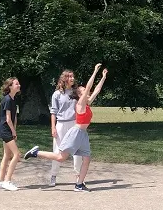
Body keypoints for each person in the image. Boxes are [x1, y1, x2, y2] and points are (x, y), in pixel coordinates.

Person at [24, 64, 107, 192]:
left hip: (83, 134)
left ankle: (79, 184)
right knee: (61, 157)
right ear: (80, 95)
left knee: (86, 159)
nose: (87, 91)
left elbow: (96, 90)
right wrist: (95, 71)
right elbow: (90, 86)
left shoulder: (87, 102)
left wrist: (103, 77)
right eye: (84, 91)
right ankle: (36, 153)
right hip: (76, 132)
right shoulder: (80, 103)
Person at [47, 69, 82, 187]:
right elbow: (53, 112)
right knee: (57, 151)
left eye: (73, 76)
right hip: (61, 124)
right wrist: (53, 127)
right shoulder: (57, 94)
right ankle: (54, 174)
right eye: (70, 76)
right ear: (64, 78)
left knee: (77, 150)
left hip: (74, 123)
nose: (72, 78)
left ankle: (78, 176)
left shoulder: (76, 92)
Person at [0, 78, 22, 191]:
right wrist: (13, 131)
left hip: (7, 130)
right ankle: (7, 181)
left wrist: (14, 129)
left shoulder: (12, 99)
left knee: (7, 155)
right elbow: (8, 119)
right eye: (16, 84)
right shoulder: (7, 99)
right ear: (10, 86)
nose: (19, 85)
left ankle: (0, 182)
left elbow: (13, 117)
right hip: (5, 130)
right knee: (17, 155)